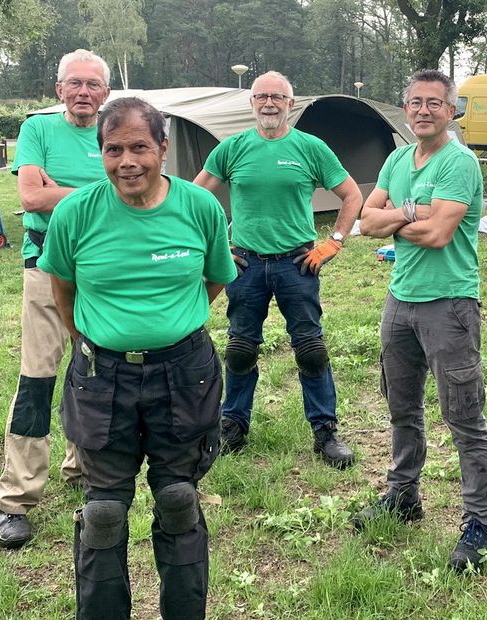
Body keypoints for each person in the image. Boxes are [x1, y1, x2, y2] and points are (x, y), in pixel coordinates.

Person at [39, 97, 237, 619]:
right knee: (103, 510)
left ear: (164, 150)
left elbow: (215, 278)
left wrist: (172, 326)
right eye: (113, 149)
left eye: (139, 148)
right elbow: (64, 288)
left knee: (178, 501)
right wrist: (96, 337)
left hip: (184, 375)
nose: (127, 161)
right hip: (102, 377)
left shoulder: (200, 208)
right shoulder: (75, 212)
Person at [353, 69, 487, 573]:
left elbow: (438, 235)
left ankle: (480, 522)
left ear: (451, 110)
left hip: (450, 303)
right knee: (401, 406)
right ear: (405, 107)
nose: (423, 111)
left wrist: (398, 218)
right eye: (415, 102)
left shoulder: (459, 163)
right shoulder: (397, 158)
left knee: (463, 415)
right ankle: (403, 495)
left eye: (435, 103)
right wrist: (411, 212)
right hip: (401, 300)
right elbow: (362, 223)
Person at [192, 71, 362, 469]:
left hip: (298, 263)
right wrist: (213, 248)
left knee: (311, 349)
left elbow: (351, 194)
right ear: (251, 103)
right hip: (245, 264)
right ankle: (233, 425)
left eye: (277, 97)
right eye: (261, 96)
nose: (269, 103)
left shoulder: (310, 148)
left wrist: (335, 240)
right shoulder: (231, 148)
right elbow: (194, 197)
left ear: (291, 103)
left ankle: (325, 432)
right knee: (239, 348)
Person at [0, 49, 112, 549]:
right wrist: (99, 190)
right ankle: (15, 499)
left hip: (104, 268)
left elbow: (134, 188)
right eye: (75, 84)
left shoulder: (113, 131)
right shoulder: (38, 130)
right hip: (46, 264)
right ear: (58, 88)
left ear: (105, 94)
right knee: (38, 378)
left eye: (93, 85)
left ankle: (82, 466)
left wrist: (61, 188)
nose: (84, 92)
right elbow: (31, 199)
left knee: (95, 373)